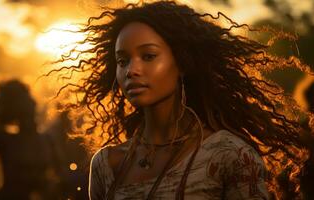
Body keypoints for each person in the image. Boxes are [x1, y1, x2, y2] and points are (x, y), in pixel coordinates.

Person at [59, 1, 310, 199]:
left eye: (148, 56)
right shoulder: (106, 164)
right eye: (122, 61)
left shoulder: (230, 155)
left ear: (181, 62)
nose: (131, 71)